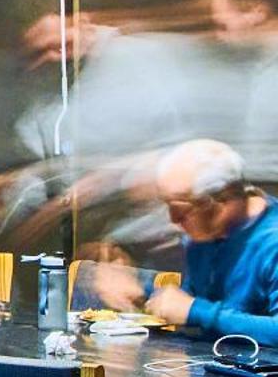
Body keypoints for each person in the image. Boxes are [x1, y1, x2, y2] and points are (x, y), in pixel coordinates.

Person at [102, 138, 278, 343]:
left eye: (180, 209)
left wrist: (197, 311)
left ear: (221, 201)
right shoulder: (206, 236)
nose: (173, 219)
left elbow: (198, 310)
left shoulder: (271, 241)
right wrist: (143, 291)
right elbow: (196, 301)